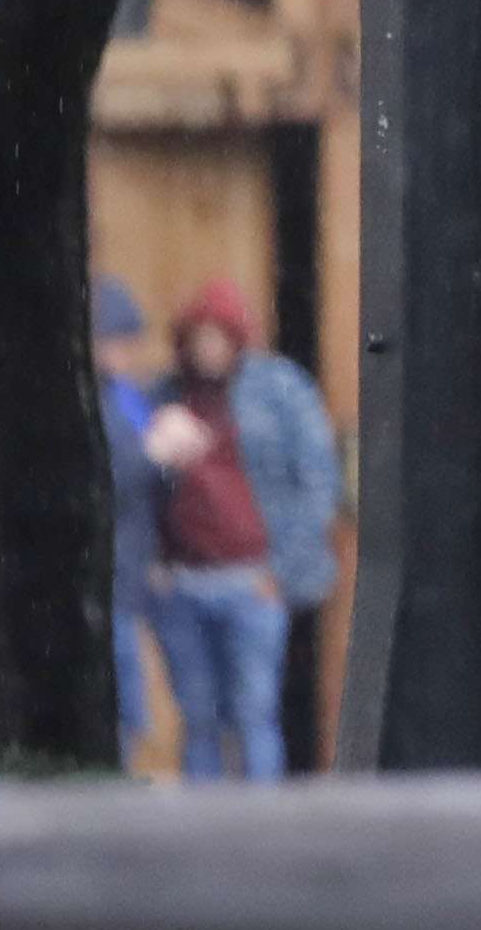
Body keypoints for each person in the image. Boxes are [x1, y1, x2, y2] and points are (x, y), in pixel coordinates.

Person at [142, 281, 333, 779]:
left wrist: (283, 571)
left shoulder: (279, 390)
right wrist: (153, 563)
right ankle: (200, 836)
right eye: (197, 337)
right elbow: (137, 487)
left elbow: (317, 481)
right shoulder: (162, 395)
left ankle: (265, 836)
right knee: (199, 717)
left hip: (252, 582)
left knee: (254, 713)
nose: (207, 349)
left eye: (218, 337)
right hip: (182, 583)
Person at [93, 274, 162, 771]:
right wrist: (154, 458)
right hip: (110, 574)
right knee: (118, 702)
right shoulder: (99, 399)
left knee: (130, 704)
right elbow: (104, 479)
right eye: (116, 340)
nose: (125, 352)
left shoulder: (130, 397)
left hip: (133, 572)